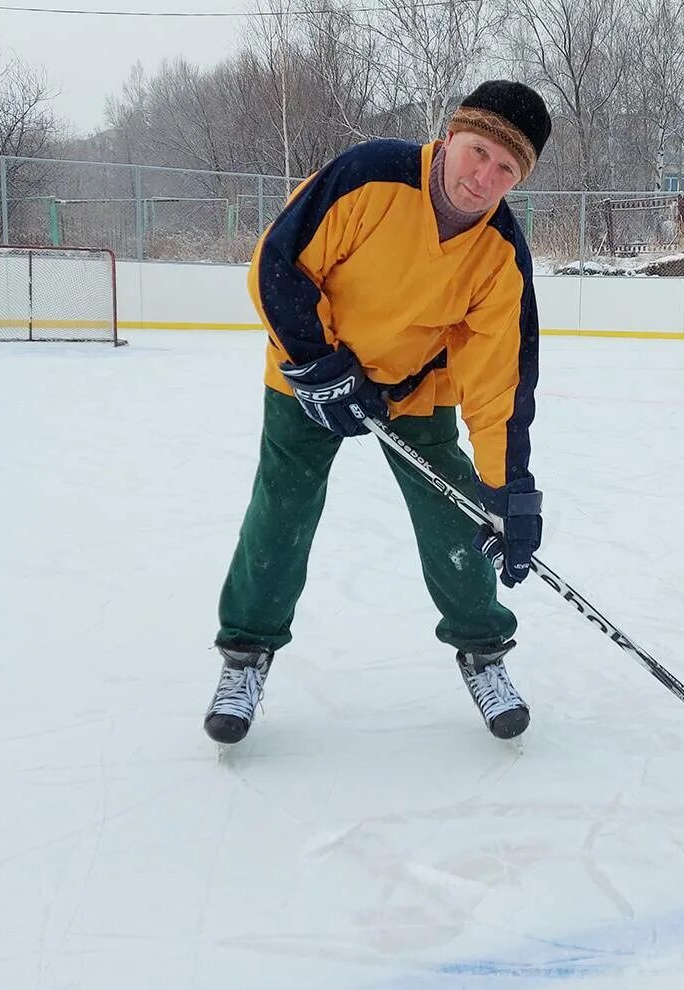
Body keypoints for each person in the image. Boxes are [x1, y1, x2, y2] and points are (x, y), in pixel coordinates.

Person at [203, 81, 552, 747]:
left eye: (506, 169)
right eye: (478, 152)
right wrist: (318, 364)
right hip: (310, 375)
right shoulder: (371, 175)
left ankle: (483, 653)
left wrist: (507, 488)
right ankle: (245, 657)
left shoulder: (500, 254)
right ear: (450, 138)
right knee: (282, 507)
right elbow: (277, 264)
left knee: (456, 516)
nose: (484, 177)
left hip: (411, 391)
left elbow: (496, 379)